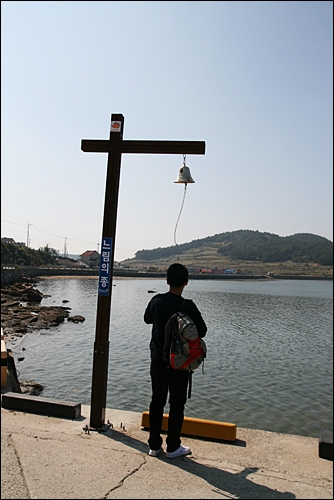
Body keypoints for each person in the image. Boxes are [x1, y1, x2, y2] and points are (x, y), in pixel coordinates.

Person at [144, 263, 207, 458]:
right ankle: (173, 447)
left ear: (167, 280)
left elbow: (147, 319)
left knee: (157, 401)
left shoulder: (156, 301)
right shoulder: (188, 306)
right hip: (180, 364)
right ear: (186, 283)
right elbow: (202, 331)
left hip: (158, 360)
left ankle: (154, 445)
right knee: (177, 405)